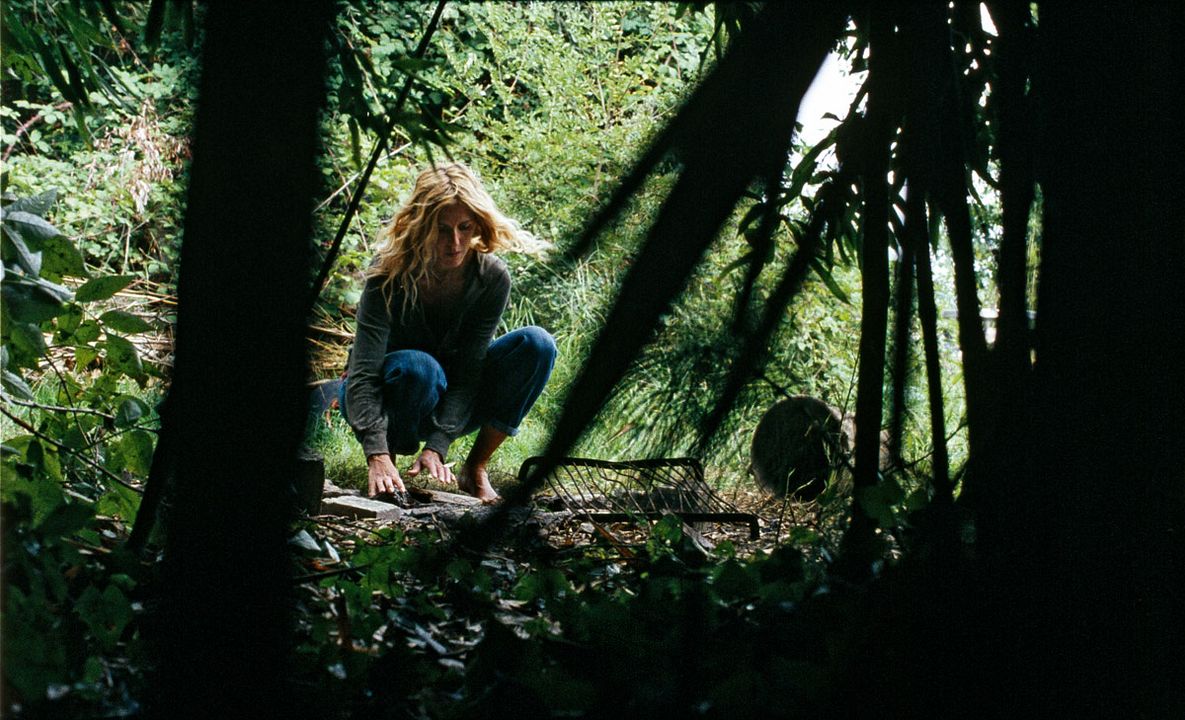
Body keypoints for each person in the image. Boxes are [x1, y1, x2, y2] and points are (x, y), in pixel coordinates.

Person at [341, 163, 556, 503]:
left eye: (465, 227)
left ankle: (475, 470)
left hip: (452, 401)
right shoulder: (387, 272)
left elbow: (469, 372)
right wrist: (376, 452)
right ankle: (388, 469)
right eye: (441, 230)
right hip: (389, 393)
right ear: (420, 227)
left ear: (478, 224)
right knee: (419, 366)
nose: (454, 242)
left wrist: (438, 446)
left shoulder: (492, 277)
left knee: (538, 344)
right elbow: (363, 372)